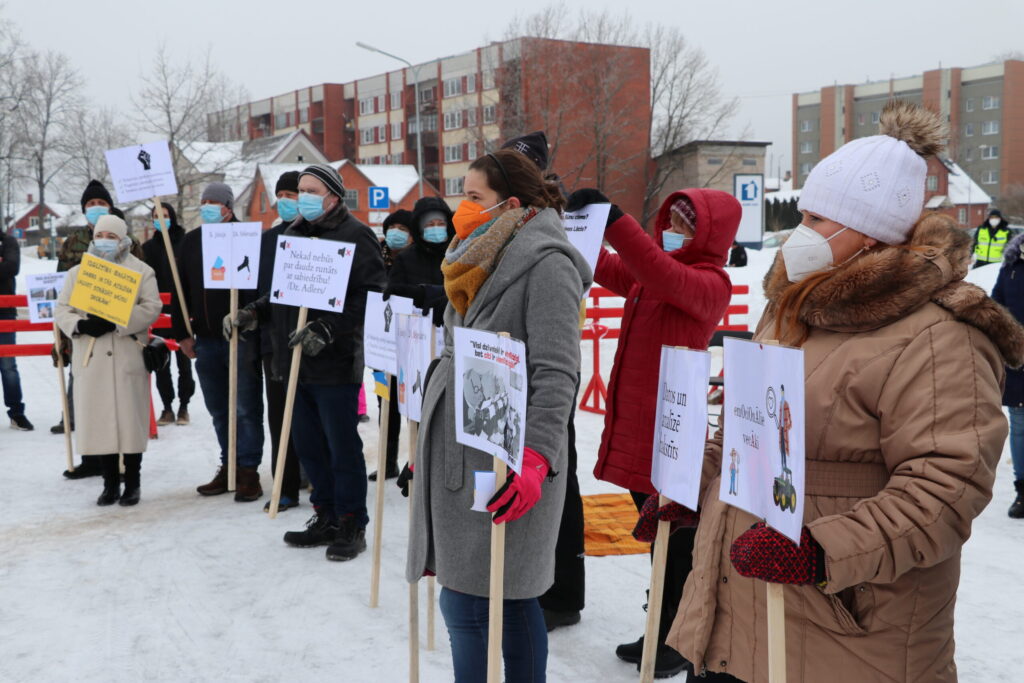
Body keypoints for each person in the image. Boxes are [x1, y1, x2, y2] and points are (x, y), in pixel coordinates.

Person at [664, 100, 1022, 683]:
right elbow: (748, 437)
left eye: (819, 219)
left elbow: (946, 487)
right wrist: (694, 487)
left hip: (847, 634)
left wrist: (822, 549)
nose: (801, 232)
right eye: (804, 215)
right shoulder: (790, 308)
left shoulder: (938, 336)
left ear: (871, 235)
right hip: (739, 624)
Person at [406, 149, 591, 681]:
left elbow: (557, 372)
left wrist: (536, 458)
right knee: (463, 600)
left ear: (509, 205)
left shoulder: (548, 264)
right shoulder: (474, 254)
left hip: (508, 459)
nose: (461, 208)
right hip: (458, 451)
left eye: (473, 197)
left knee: (502, 600)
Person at [577, 184, 739, 678]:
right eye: (670, 222)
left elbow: (654, 269)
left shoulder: (709, 282)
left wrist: (615, 219)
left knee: (677, 543)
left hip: (673, 433)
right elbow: (606, 266)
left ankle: (678, 639)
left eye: (685, 226)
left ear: (710, 236)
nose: (671, 231)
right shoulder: (654, 273)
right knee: (659, 538)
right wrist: (573, 223)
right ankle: (662, 628)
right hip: (639, 428)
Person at [230, 164, 386, 560]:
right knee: (308, 446)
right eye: (300, 190)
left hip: (334, 363)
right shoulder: (294, 234)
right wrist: (255, 311)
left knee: (341, 447)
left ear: (333, 195)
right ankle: (325, 514)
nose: (304, 198)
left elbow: (370, 294)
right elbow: (282, 292)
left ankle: (351, 521)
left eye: (312, 190)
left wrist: (329, 328)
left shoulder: (356, 235)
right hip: (293, 360)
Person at [500, 130, 587, 633]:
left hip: (546, 368)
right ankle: (531, 581)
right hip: (507, 368)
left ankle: (562, 593)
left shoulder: (550, 223)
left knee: (556, 475)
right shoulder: (507, 220)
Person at [54, 215, 162, 506]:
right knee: (100, 422)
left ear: (123, 239)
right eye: (100, 235)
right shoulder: (78, 273)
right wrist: (81, 325)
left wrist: (119, 320)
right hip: (92, 358)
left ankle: (133, 482)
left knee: (130, 422)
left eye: (111, 236)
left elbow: (152, 306)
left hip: (127, 354)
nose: (104, 240)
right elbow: (62, 309)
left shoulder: (141, 271)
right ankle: (110, 483)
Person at [173, 182, 265, 503]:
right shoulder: (191, 242)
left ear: (228, 206)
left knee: (245, 406)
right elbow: (181, 289)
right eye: (204, 201)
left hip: (241, 337)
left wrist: (249, 317)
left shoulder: (247, 237)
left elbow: (259, 286)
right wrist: (183, 333)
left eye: (214, 201)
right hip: (207, 339)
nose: (207, 206)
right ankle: (229, 464)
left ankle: (248, 471)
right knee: (218, 408)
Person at [55, 180, 143, 479]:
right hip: (87, 336)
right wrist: (74, 328)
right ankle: (92, 458)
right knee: (87, 399)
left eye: (100, 203)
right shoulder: (73, 243)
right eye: (90, 204)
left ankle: (124, 464)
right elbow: (63, 288)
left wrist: (120, 318)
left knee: (122, 405)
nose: (95, 208)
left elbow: (139, 283)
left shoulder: (131, 246)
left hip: (119, 336)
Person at [376, 196, 454, 480]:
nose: (435, 228)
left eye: (440, 223)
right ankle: (416, 466)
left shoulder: (458, 252)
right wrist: (426, 296)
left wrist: (427, 295)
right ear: (419, 228)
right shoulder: (407, 258)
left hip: (450, 345)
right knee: (414, 406)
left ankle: (444, 468)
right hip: (414, 345)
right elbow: (395, 294)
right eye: (429, 224)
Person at [253, 170, 303, 512]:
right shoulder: (269, 240)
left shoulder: (320, 238)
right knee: (279, 417)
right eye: (281, 195)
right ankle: (285, 485)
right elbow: (261, 289)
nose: (285, 201)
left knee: (312, 418)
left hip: (312, 341)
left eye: (292, 195)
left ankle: (317, 478)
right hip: (274, 341)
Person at [142, 202, 194, 427]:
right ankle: (167, 407)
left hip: (181, 310)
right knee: (161, 362)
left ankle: (184, 406)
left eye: (165, 215)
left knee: (184, 361)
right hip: (158, 312)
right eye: (156, 216)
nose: (161, 219)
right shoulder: (147, 248)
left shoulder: (184, 242)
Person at [992, 230, 1024, 518]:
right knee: (1020, 425)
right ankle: (1022, 491)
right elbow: (995, 307)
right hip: (1018, 360)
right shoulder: (1011, 267)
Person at [0, 226, 32, 430]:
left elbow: (12, 267)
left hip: (5, 312)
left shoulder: (8, 242)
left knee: (8, 365)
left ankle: (17, 413)